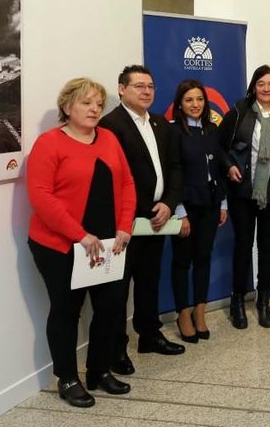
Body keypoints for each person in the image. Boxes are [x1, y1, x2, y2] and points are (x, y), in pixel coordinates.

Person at [27, 77, 135, 407]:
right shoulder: (49, 144)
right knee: (66, 312)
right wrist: (80, 235)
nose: (95, 109)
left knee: (110, 308)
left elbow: (127, 184)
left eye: (99, 104)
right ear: (67, 106)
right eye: (87, 103)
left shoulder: (109, 139)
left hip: (108, 246)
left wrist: (124, 227)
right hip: (60, 246)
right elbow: (41, 197)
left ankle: (99, 371)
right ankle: (68, 378)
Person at [100, 65, 185, 376]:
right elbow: (113, 178)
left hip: (157, 218)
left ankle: (149, 335)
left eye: (150, 86)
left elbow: (175, 168)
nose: (147, 91)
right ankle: (116, 348)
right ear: (122, 89)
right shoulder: (110, 125)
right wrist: (141, 208)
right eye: (139, 86)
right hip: (126, 221)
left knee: (149, 280)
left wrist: (169, 203)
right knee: (119, 289)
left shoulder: (162, 124)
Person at [219, 64, 270, 329]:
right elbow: (220, 148)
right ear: (254, 86)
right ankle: (238, 300)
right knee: (243, 246)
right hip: (243, 192)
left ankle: (264, 299)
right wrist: (230, 165)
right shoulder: (239, 112)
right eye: (261, 83)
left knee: (267, 248)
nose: (266, 88)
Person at [169, 80, 229, 342]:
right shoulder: (173, 132)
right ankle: (183, 313)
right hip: (184, 208)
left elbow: (218, 169)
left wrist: (223, 203)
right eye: (189, 100)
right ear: (180, 104)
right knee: (182, 261)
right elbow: (173, 173)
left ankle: (200, 311)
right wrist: (179, 211)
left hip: (210, 204)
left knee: (203, 258)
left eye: (200, 99)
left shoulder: (212, 129)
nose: (195, 105)